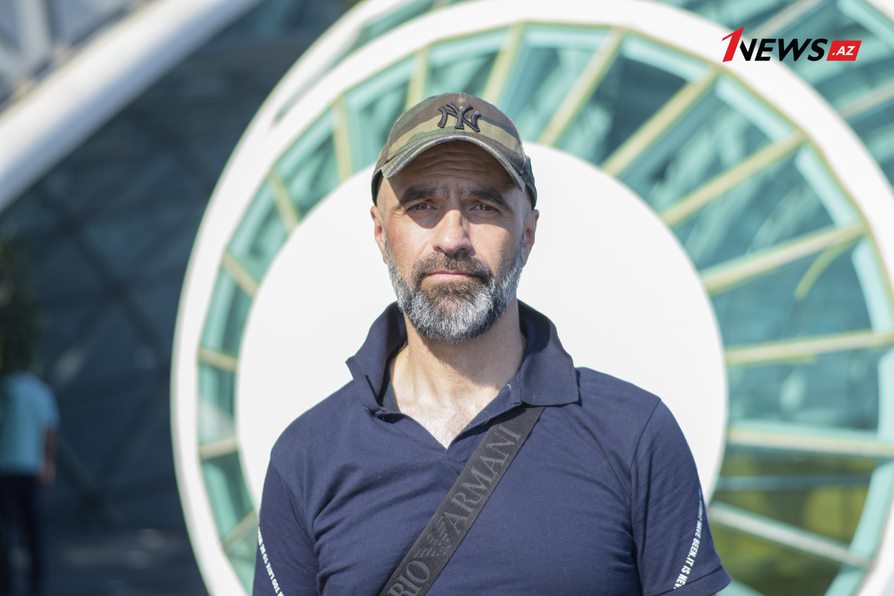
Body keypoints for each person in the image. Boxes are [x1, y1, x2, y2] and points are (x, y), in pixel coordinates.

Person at [253, 92, 730, 595]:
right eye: (422, 205)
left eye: (483, 206)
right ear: (379, 231)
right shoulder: (306, 458)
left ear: (527, 233)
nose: (452, 238)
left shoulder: (634, 435)